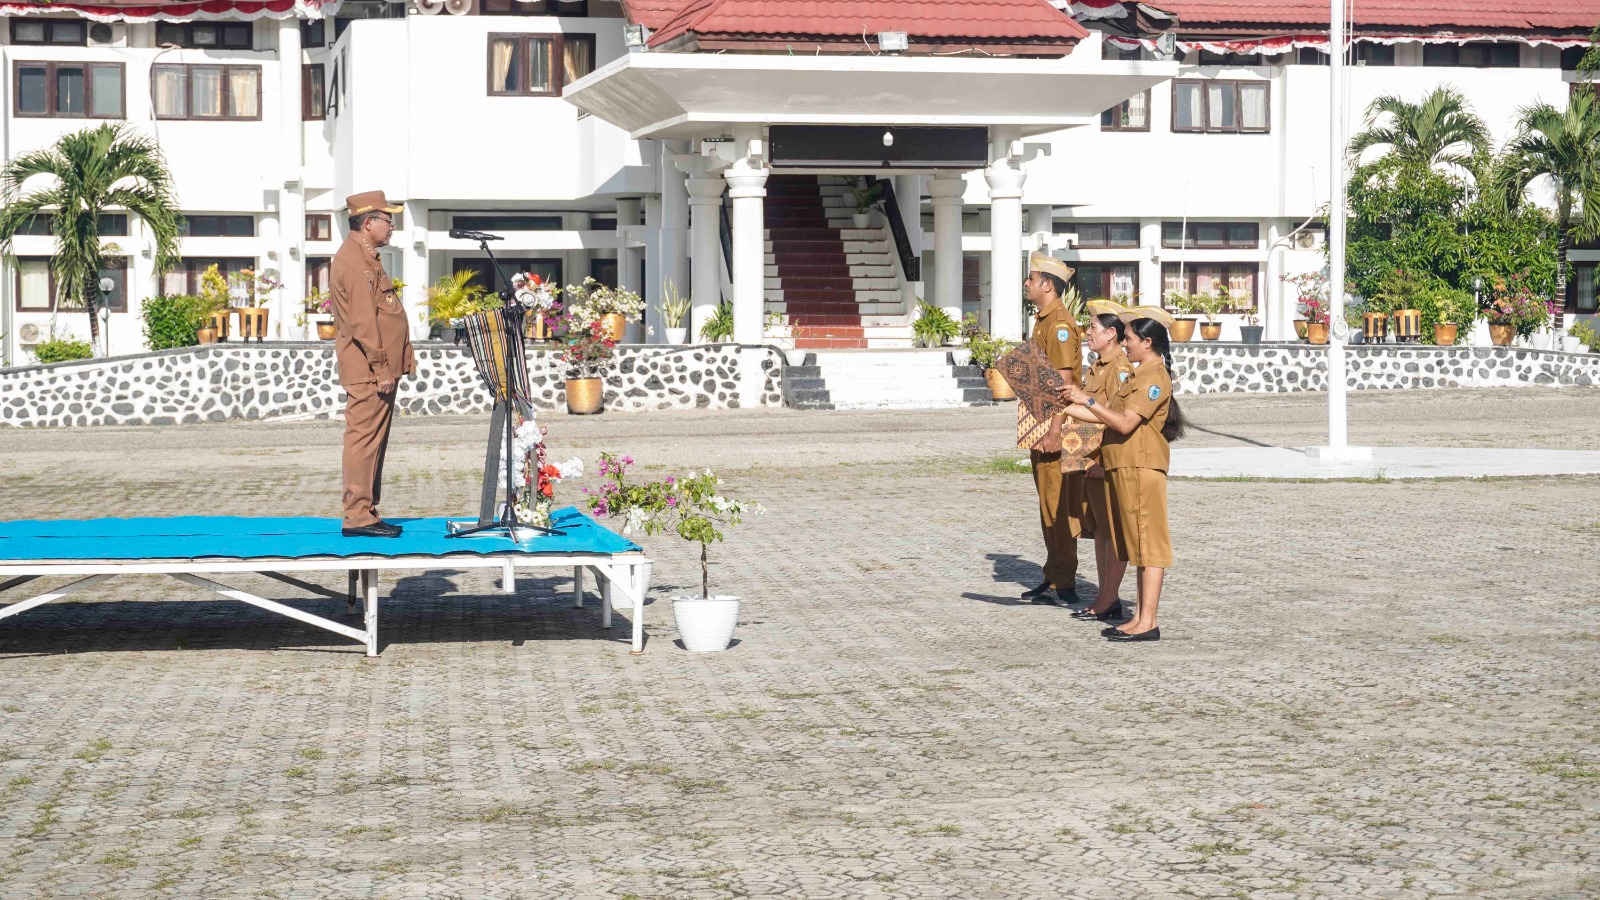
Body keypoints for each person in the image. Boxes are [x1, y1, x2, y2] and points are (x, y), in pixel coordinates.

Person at [1060, 307, 1186, 641]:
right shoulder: (1138, 374)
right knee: (1138, 546)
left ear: (1148, 342)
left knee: (1149, 546)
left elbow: (1125, 423)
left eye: (1129, 339)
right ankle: (1140, 618)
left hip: (1141, 467)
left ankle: (1148, 622)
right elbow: (1105, 414)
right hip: (1126, 467)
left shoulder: (1153, 376)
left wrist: (1087, 401)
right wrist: (1060, 404)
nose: (1125, 344)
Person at [332, 190, 415, 538]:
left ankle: (366, 512)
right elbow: (363, 322)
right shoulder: (354, 260)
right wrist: (381, 368)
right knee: (364, 441)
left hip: (374, 368)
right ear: (368, 222)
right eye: (387, 219)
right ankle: (357, 516)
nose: (392, 226)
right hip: (368, 369)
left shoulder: (364, 255)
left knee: (373, 442)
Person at [1017, 251, 1084, 606]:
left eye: (1031, 278)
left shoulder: (1059, 324)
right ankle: (1054, 574)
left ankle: (1065, 581)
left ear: (1047, 285)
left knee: (1058, 505)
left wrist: (1055, 431)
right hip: (1041, 423)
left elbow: (1064, 382)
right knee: (1048, 504)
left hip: (1056, 426)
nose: (1026, 283)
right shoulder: (1044, 320)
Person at [1062, 299, 1135, 624]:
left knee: (1113, 532)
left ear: (1111, 333)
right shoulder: (1098, 366)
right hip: (1089, 459)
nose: (1087, 333)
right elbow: (1089, 411)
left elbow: (1116, 418)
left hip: (1107, 460)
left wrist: (1105, 463)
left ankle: (1108, 598)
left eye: (1092, 328)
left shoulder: (1120, 368)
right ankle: (1106, 596)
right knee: (1100, 531)